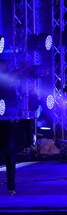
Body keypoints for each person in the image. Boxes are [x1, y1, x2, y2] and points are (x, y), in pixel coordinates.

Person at [0, 58, 25, 195]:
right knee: (9, 153)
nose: (5, 67)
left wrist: (24, 72)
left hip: (9, 120)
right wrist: (24, 67)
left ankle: (11, 186)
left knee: (10, 154)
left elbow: (16, 77)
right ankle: (11, 186)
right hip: (3, 119)